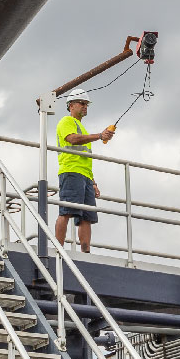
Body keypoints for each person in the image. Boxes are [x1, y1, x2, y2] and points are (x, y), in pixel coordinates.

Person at [54, 91, 114, 253]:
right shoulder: (66, 121)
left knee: (86, 217)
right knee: (66, 211)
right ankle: (58, 250)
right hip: (71, 171)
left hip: (85, 176)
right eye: (81, 103)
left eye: (86, 104)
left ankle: (85, 253)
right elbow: (72, 139)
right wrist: (100, 135)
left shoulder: (83, 128)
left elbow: (85, 158)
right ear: (71, 105)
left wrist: (93, 182)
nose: (85, 106)